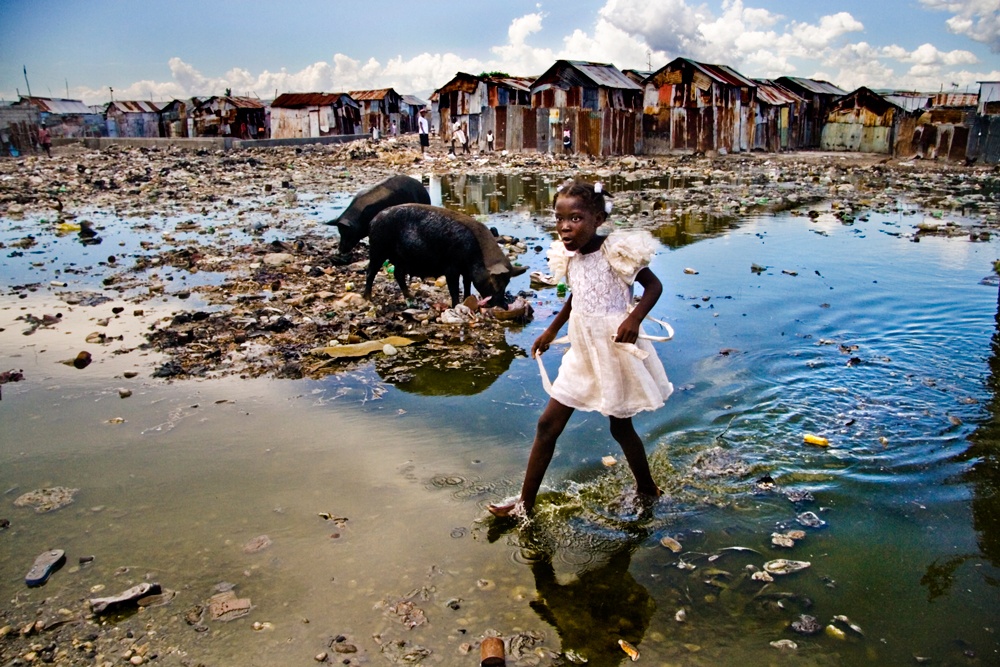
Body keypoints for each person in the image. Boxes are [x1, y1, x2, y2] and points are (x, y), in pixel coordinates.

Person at [489, 179, 673, 518]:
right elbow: (576, 295)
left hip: (615, 347)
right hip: (582, 349)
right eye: (559, 219)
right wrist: (551, 329)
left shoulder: (615, 253)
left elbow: (653, 287)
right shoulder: (569, 257)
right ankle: (523, 505)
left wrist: (633, 319)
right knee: (547, 425)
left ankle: (647, 488)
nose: (564, 227)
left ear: (598, 219)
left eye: (575, 219)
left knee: (620, 427)